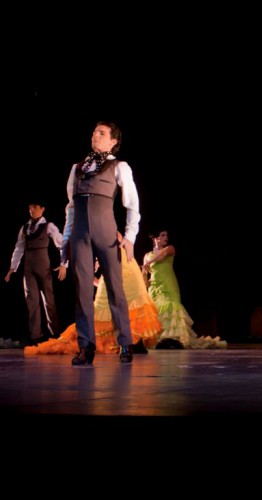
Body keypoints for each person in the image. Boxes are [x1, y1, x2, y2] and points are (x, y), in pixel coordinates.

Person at [57, 121, 139, 366]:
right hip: (80, 233)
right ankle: (86, 346)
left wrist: (130, 237)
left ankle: (125, 343)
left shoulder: (119, 166)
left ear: (114, 140)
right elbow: (70, 210)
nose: (95, 135)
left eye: (101, 133)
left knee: (115, 287)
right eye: (94, 132)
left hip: (105, 231)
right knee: (82, 289)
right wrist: (65, 247)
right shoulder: (77, 168)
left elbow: (132, 204)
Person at [26, 232, 162, 355]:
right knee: (104, 307)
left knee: (133, 300)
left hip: (125, 263)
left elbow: (118, 238)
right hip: (113, 264)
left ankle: (134, 341)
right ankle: (112, 342)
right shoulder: (84, 229)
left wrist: (98, 258)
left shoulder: (105, 224)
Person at [142, 230, 227, 349]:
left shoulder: (170, 249)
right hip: (155, 288)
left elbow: (161, 256)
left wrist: (149, 263)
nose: (166, 237)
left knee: (171, 309)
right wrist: (145, 280)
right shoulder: (147, 255)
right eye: (163, 235)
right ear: (155, 238)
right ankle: (158, 340)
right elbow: (144, 273)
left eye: (167, 235)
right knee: (156, 311)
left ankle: (173, 339)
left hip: (168, 285)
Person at [5, 201, 62, 345]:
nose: (31, 210)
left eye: (35, 207)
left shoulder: (48, 226)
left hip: (43, 266)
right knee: (32, 301)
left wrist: (63, 264)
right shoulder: (25, 228)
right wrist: (13, 267)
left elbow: (61, 243)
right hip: (28, 268)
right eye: (30, 207)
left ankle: (55, 333)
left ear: (42, 209)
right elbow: (19, 248)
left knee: (48, 300)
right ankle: (36, 335)